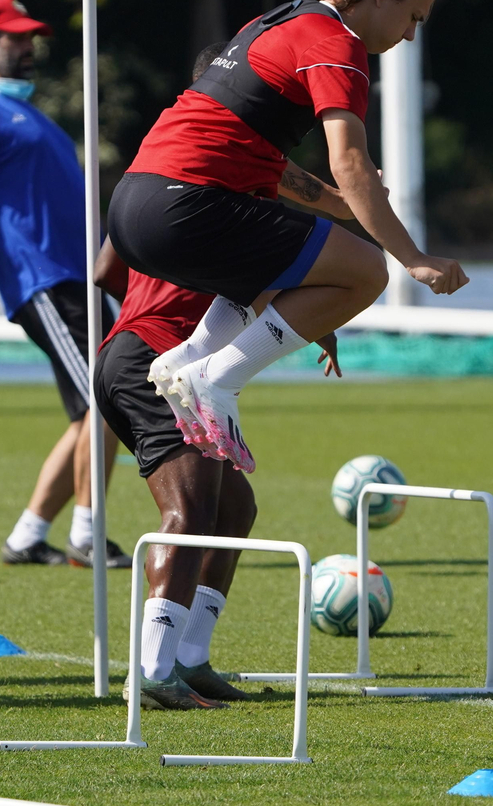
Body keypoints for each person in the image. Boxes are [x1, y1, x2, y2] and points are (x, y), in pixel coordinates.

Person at [108, 0, 468, 474]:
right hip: (184, 207)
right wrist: (413, 258)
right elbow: (348, 160)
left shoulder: (278, 20)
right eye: (414, 17)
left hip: (134, 204)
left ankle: (189, 362)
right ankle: (216, 379)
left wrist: (339, 205)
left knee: (291, 261)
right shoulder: (338, 44)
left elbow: (265, 166)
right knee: (366, 271)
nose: (408, 36)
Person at [93, 43, 349, 710]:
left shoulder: (184, 173)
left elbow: (104, 271)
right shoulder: (222, 180)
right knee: (189, 510)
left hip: (152, 358)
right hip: (150, 357)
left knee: (234, 508)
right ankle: (152, 673)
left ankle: (190, 656)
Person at [0, 0, 128, 569]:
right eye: (12, 37)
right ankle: (88, 536)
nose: (26, 46)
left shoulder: (36, 117)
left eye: (28, 37)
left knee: (89, 411)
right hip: (43, 280)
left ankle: (27, 536)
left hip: (82, 280)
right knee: (110, 396)